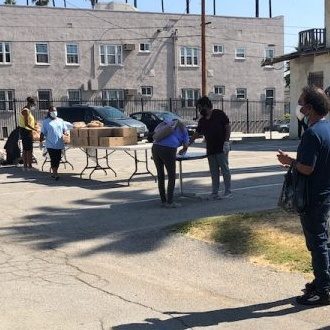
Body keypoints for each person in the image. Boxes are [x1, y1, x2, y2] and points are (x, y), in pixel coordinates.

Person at [277, 85, 330, 306]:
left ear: (310, 108)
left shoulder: (312, 133)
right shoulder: (327, 129)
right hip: (324, 194)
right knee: (323, 240)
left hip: (312, 197)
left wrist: (289, 162)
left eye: (301, 105)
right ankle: (323, 281)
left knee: (317, 243)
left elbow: (307, 168)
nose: (299, 109)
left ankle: (324, 289)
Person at [183, 96, 232, 200]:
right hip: (210, 149)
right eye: (199, 109)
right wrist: (187, 145)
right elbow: (196, 134)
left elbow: (227, 127)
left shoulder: (219, 114)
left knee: (224, 169)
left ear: (207, 106)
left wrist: (226, 142)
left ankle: (228, 191)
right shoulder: (202, 121)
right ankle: (215, 192)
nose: (200, 111)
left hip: (222, 147)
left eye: (201, 108)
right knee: (214, 172)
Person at [152, 118, 189, 208]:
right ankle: (170, 202)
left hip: (155, 147)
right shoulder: (183, 129)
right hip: (169, 149)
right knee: (171, 176)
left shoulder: (168, 124)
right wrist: (182, 150)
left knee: (160, 175)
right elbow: (186, 145)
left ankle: (163, 201)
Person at [40, 106, 69, 181]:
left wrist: (66, 134)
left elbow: (64, 130)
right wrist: (40, 141)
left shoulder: (60, 121)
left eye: (55, 111)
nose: (54, 112)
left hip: (59, 143)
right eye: (52, 111)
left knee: (58, 158)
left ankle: (55, 171)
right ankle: (55, 173)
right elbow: (42, 132)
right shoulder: (46, 122)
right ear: (49, 112)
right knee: (53, 159)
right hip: (50, 144)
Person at [18, 96, 37, 170]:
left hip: (27, 131)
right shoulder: (26, 110)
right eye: (34, 105)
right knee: (28, 150)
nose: (34, 106)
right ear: (30, 103)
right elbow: (26, 124)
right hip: (25, 131)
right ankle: (28, 166)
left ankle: (27, 165)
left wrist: (34, 123)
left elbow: (30, 121)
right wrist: (34, 129)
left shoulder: (28, 110)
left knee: (27, 149)